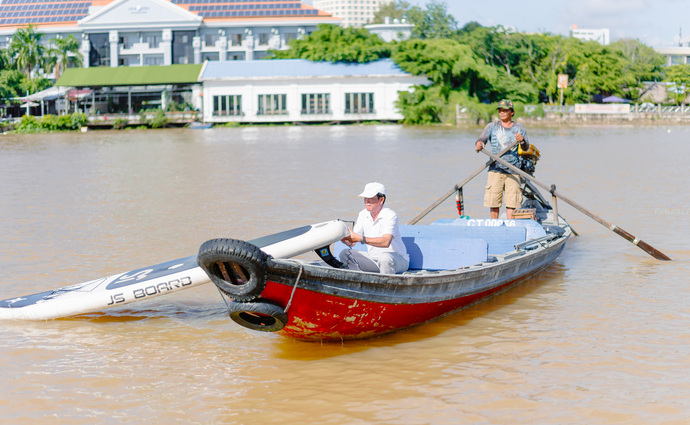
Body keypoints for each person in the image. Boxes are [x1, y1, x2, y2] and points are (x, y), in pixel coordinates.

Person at [475, 99, 530, 219]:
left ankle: (510, 226)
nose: (502, 113)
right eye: (500, 110)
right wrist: (479, 144)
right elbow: (482, 139)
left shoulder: (519, 128)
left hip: (513, 170)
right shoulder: (491, 127)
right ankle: (495, 226)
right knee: (493, 201)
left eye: (505, 110)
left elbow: (526, 148)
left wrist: (522, 140)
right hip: (495, 169)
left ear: (512, 112)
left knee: (512, 202)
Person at [339, 182, 409, 274]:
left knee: (384, 258)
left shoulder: (390, 215)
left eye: (371, 198)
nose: (367, 201)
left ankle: (386, 286)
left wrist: (361, 239)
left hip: (397, 261)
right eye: (365, 198)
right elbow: (352, 243)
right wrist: (341, 236)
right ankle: (359, 282)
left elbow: (385, 242)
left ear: (381, 199)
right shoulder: (363, 214)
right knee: (345, 254)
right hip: (374, 260)